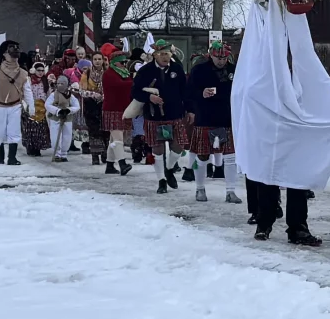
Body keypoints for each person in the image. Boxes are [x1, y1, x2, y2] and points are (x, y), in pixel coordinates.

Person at [233, 0, 330, 246]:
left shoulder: (297, 27)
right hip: (269, 102)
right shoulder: (266, 25)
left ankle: (298, 226)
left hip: (297, 101)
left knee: (299, 166)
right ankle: (265, 219)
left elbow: (303, 59)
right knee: (269, 164)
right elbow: (265, 59)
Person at [135, 41, 195, 193]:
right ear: (155, 55)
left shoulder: (177, 69)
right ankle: (161, 180)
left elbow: (186, 91)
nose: (165, 57)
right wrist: (149, 97)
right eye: (161, 54)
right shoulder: (145, 71)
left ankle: (169, 169)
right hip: (154, 115)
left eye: (167, 54)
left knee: (179, 146)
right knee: (158, 149)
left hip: (175, 113)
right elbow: (135, 92)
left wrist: (190, 110)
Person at [188, 34, 239, 203]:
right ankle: (199, 188)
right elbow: (188, 92)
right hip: (205, 117)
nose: (221, 61)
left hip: (227, 118)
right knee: (202, 156)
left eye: (224, 58)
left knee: (230, 156)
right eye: (218, 58)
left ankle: (231, 191)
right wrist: (200, 93)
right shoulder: (199, 70)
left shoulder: (234, 70)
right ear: (211, 55)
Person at [0, 48, 27, 164]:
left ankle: (12, 158)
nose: (14, 58)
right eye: (11, 55)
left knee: (14, 132)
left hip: (15, 105)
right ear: (4, 55)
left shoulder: (23, 73)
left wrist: (31, 104)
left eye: (15, 56)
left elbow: (27, 89)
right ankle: (0, 157)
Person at [101, 48, 135, 173]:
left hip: (123, 109)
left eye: (125, 62)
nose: (125, 65)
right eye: (122, 62)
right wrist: (133, 82)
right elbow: (120, 85)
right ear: (115, 62)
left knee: (114, 138)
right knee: (118, 138)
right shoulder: (109, 74)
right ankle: (122, 163)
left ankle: (110, 165)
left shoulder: (124, 73)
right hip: (112, 109)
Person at [45, 72, 79, 162]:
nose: (60, 85)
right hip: (55, 118)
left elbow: (77, 106)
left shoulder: (70, 95)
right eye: (58, 83)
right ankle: (57, 153)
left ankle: (64, 153)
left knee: (67, 136)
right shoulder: (54, 94)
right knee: (55, 136)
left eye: (62, 84)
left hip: (67, 118)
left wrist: (69, 110)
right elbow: (47, 105)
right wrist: (57, 111)